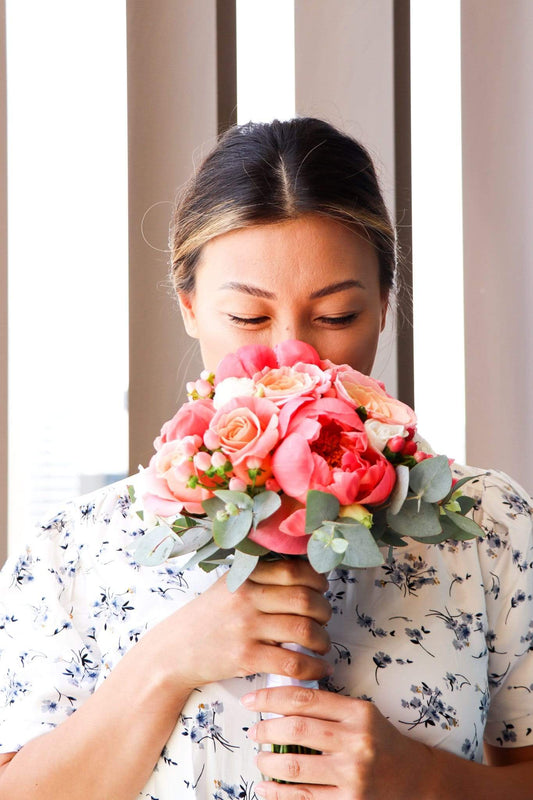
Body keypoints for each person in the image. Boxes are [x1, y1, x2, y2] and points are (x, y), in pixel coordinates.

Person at [0, 117, 532, 800]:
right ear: (190, 304)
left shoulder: (483, 524)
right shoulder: (71, 551)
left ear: (383, 305)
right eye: (248, 319)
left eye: (337, 316)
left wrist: (426, 780)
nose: (292, 354)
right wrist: (163, 665)